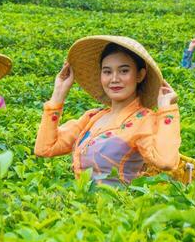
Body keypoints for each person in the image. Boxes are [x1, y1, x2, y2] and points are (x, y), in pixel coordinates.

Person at [34, 35, 180, 187]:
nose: (114, 79)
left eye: (124, 71)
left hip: (118, 207)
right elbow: (44, 149)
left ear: (140, 75)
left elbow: (166, 162)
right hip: (82, 205)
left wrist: (166, 109)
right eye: (107, 72)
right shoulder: (93, 117)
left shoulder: (144, 119)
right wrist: (58, 94)